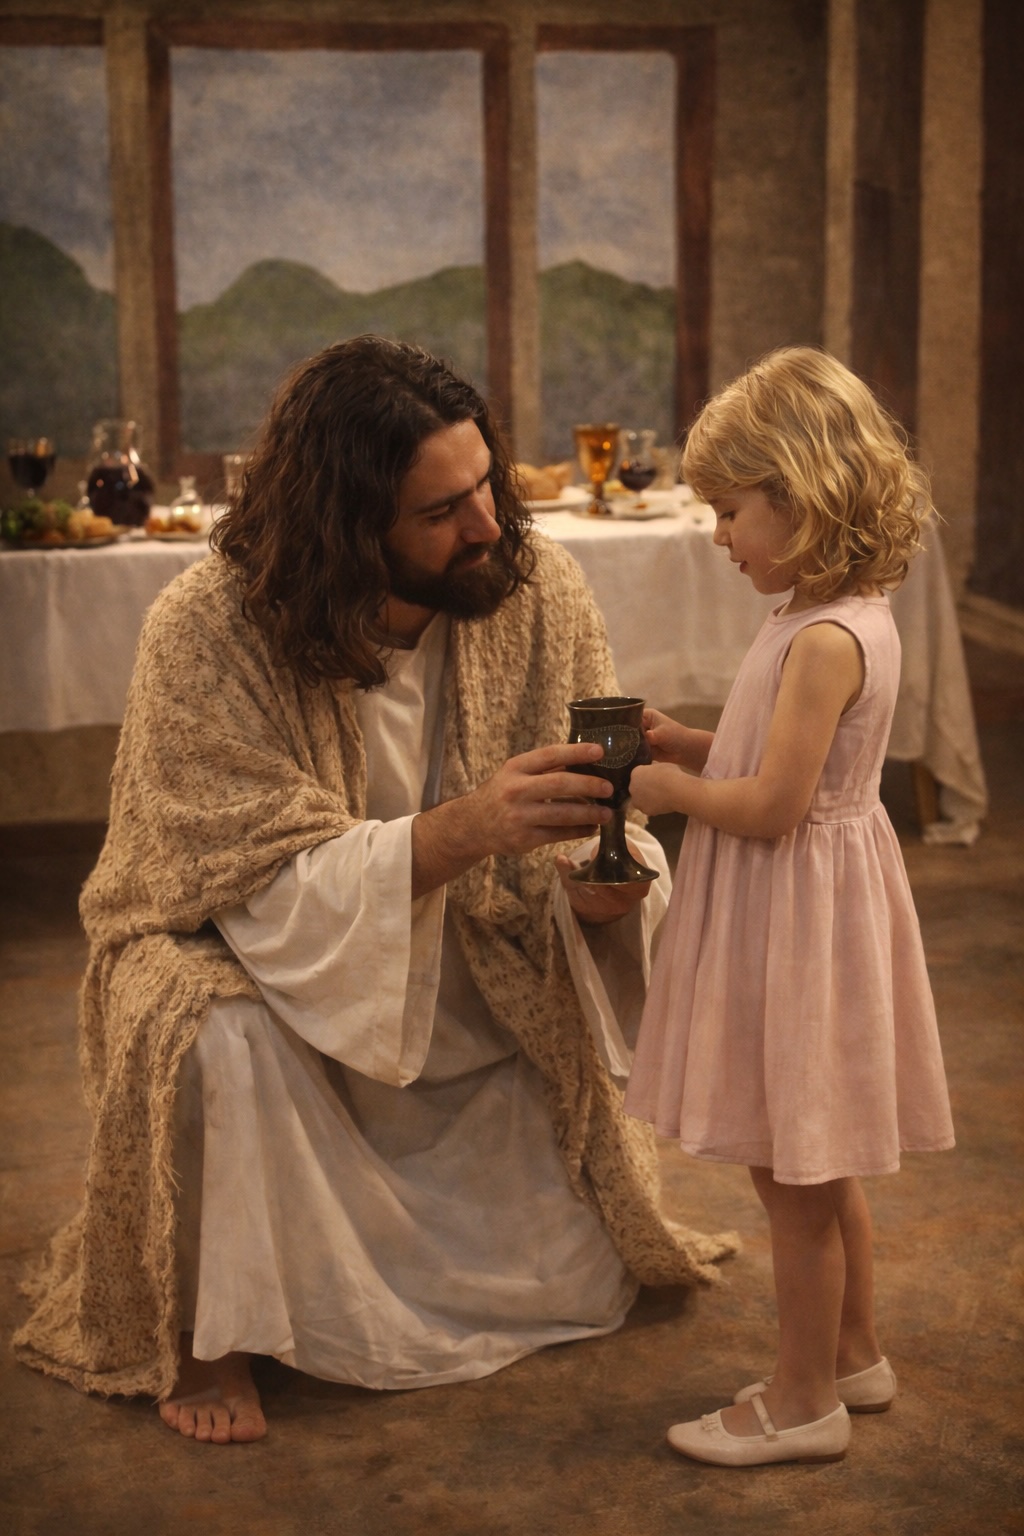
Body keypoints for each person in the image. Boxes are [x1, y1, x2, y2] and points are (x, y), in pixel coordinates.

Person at [14, 336, 735, 1444]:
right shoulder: (209, 629)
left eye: (486, 483)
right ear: (347, 528)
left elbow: (594, 823)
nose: (487, 525)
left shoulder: (534, 589)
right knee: (206, 1029)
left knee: (584, 1271)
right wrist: (460, 831)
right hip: (270, 978)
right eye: (441, 511)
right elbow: (220, 875)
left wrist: (593, 893)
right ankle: (213, 1341)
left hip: (472, 972)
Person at [624, 346, 955, 1468]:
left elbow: (772, 807)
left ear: (800, 496)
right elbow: (781, 760)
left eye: (730, 511)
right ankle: (853, 1353)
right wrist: (690, 742)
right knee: (821, 1153)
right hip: (815, 899)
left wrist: (670, 792)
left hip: (798, 914)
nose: (717, 534)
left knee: (792, 1176)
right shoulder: (835, 614)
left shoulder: (821, 640)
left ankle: (802, 1400)